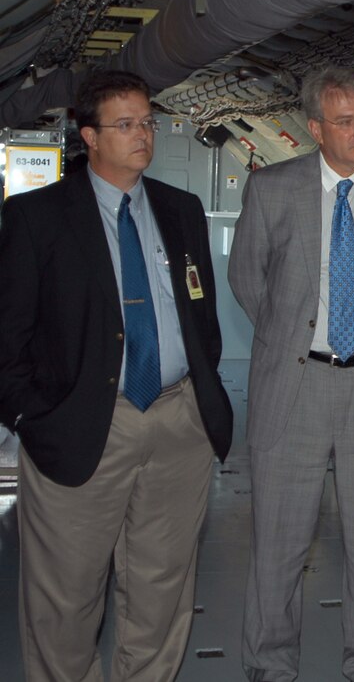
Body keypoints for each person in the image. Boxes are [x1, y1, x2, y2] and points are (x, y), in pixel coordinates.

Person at [0, 70, 233, 680]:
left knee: (161, 586)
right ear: (89, 137)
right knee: (67, 595)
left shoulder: (181, 210)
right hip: (84, 421)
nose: (141, 135)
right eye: (124, 125)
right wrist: (30, 416)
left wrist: (199, 388)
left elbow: (199, 313)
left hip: (178, 419)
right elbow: (8, 333)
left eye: (147, 123)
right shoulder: (37, 216)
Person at [228, 65, 354, 682]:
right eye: (345, 121)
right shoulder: (273, 190)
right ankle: (270, 665)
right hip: (296, 385)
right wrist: (296, 332)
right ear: (316, 127)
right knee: (280, 542)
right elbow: (247, 278)